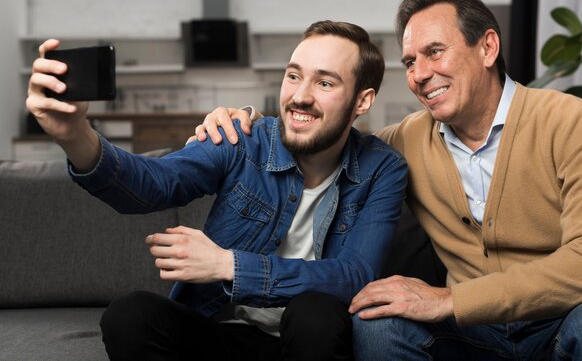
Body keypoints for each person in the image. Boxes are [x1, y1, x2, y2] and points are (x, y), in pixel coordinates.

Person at [193, 0, 582, 360]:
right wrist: (249, 126)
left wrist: (451, 299)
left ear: (488, 48)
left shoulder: (573, 122)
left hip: (558, 321)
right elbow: (327, 136)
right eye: (410, 61)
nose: (419, 75)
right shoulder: (403, 143)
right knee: (379, 321)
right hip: (472, 333)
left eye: (434, 52)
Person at [26, 20, 408, 360]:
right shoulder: (244, 139)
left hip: (309, 339)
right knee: (130, 314)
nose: (300, 96)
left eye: (325, 82)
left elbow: (355, 276)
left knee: (314, 313)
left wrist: (229, 265)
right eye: (293, 76)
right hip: (218, 334)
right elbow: (154, 183)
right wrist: (75, 135)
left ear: (363, 100)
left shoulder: (382, 168)